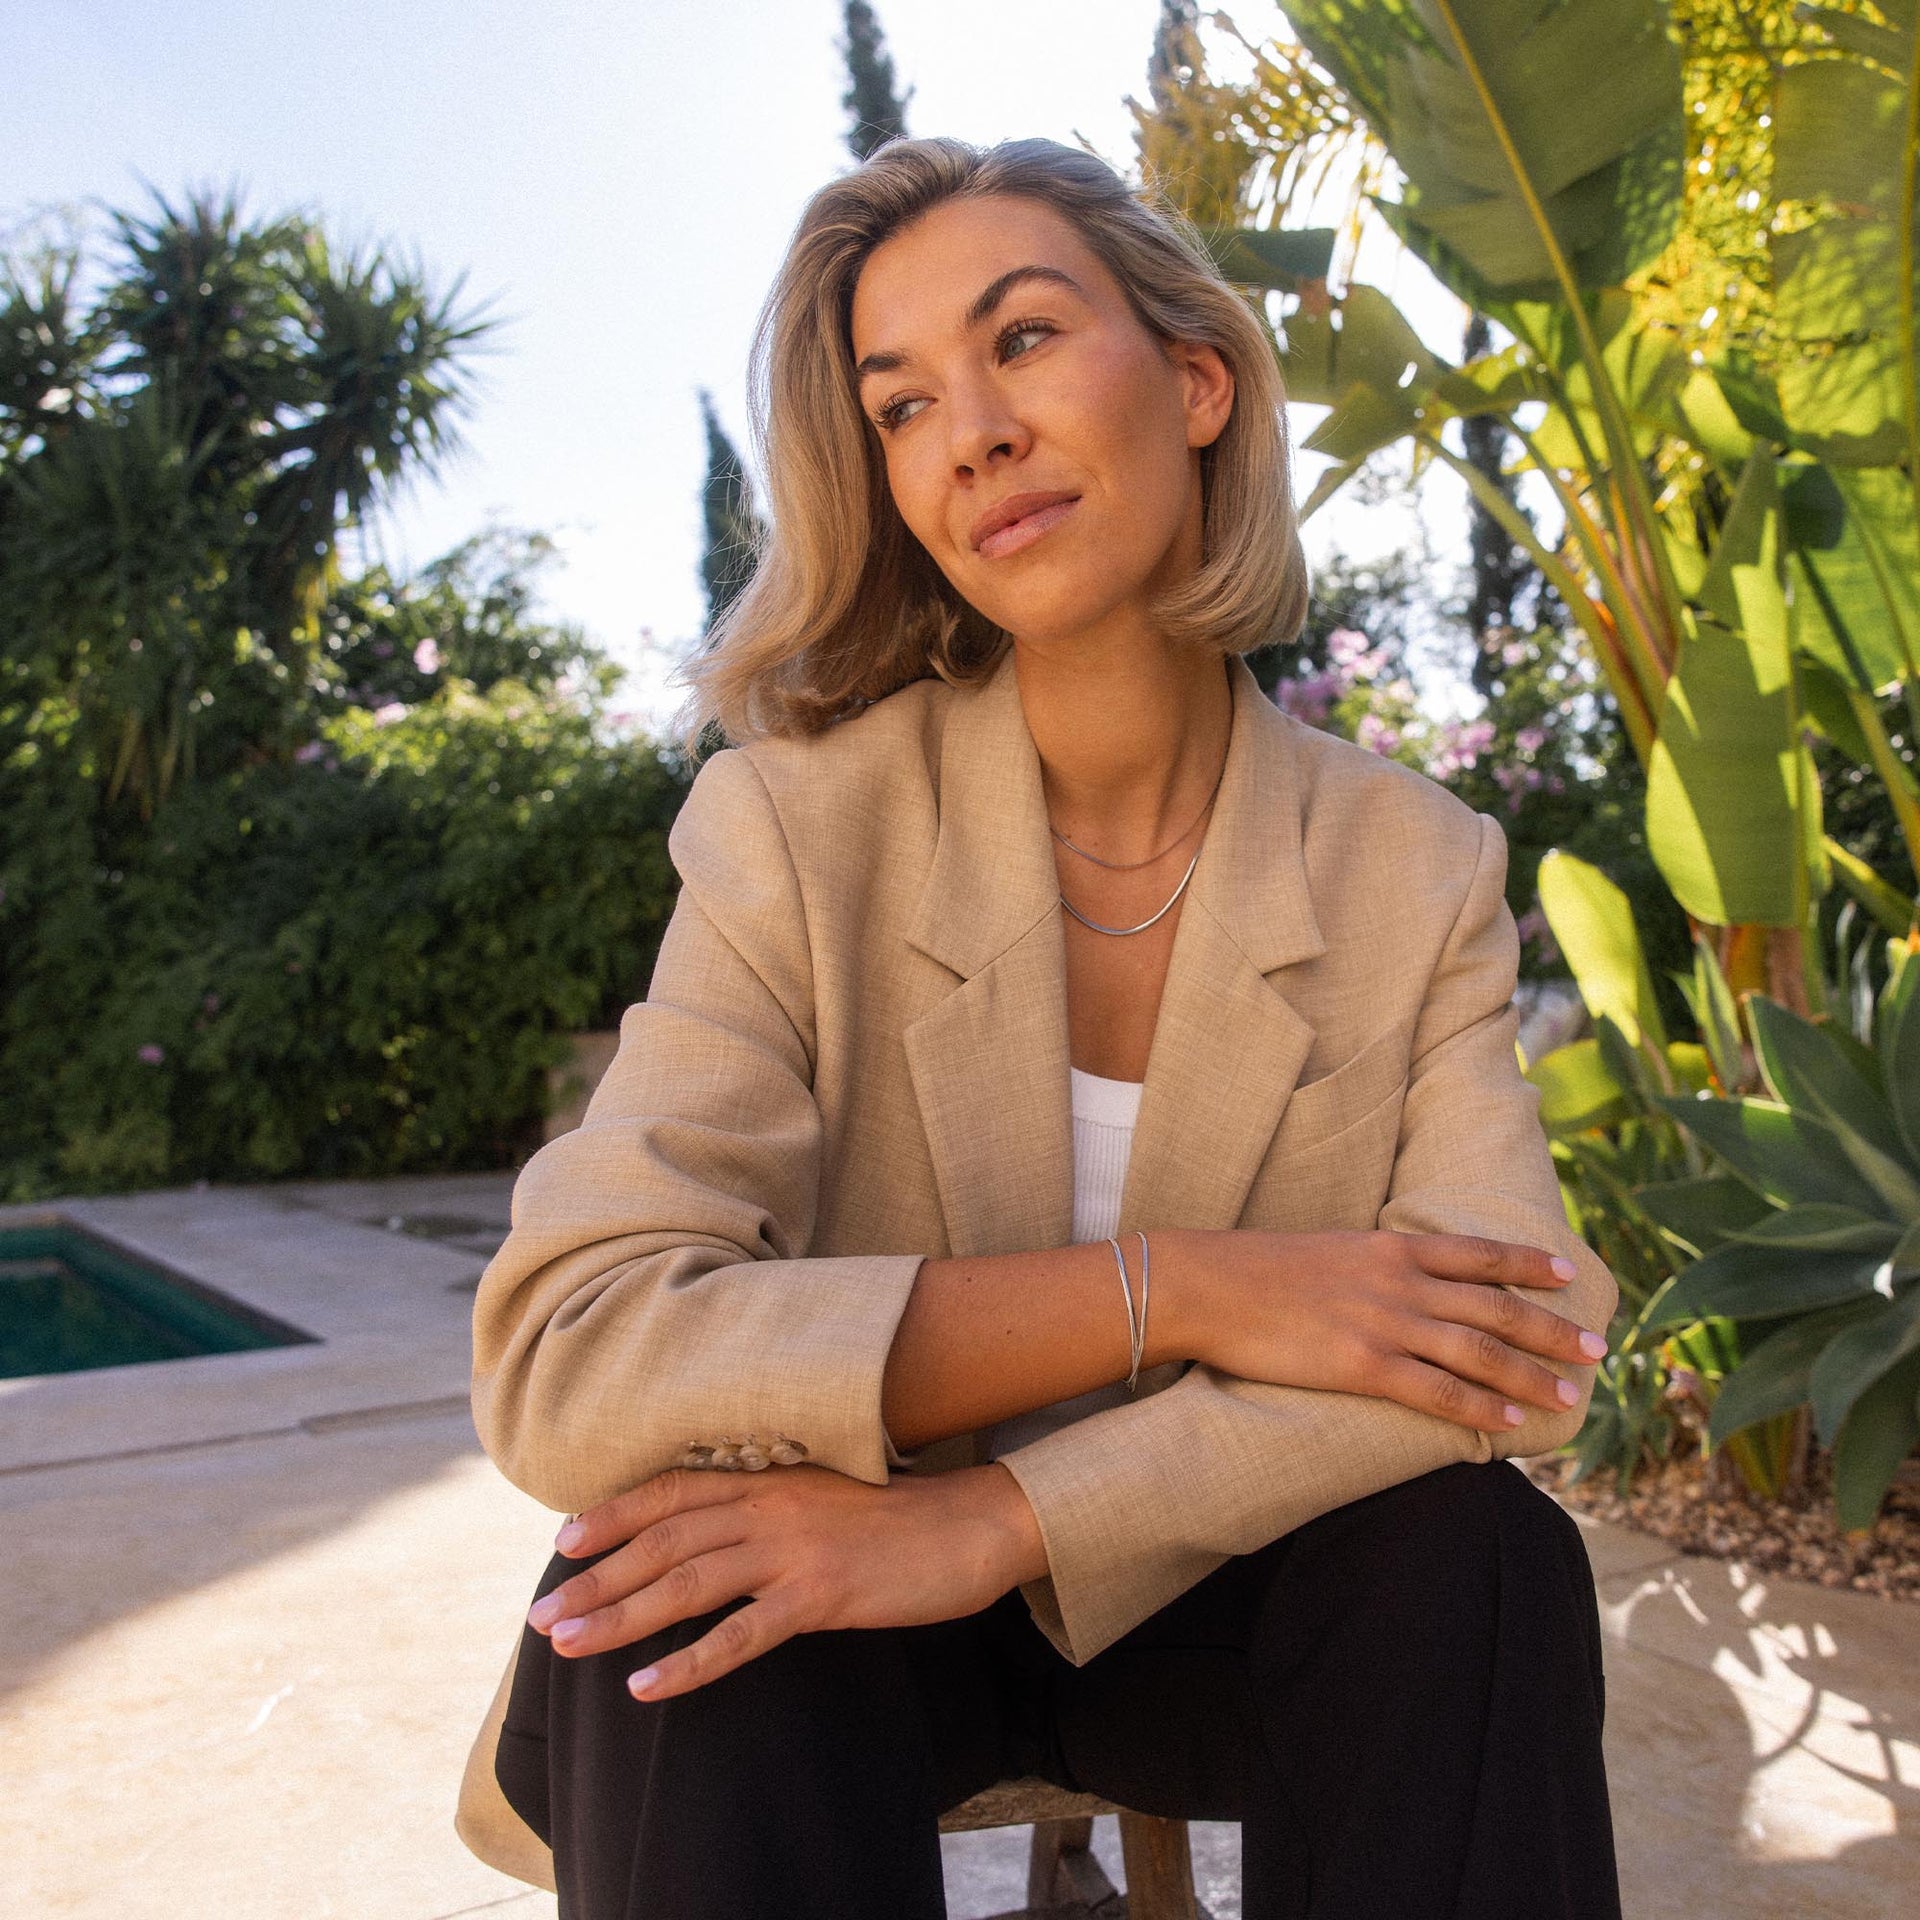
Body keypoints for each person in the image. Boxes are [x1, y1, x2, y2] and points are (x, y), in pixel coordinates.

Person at [469, 135, 1623, 1919]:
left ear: (1198, 379)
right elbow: (572, 1349)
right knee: (684, 1574)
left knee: (1478, 1557)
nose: (972, 432)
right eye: (903, 400)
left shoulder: (1413, 861)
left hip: (1228, 1595)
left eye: (1020, 341)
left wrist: (999, 1523)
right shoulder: (795, 828)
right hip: (845, 1636)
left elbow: (1516, 1340)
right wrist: (1193, 1288)